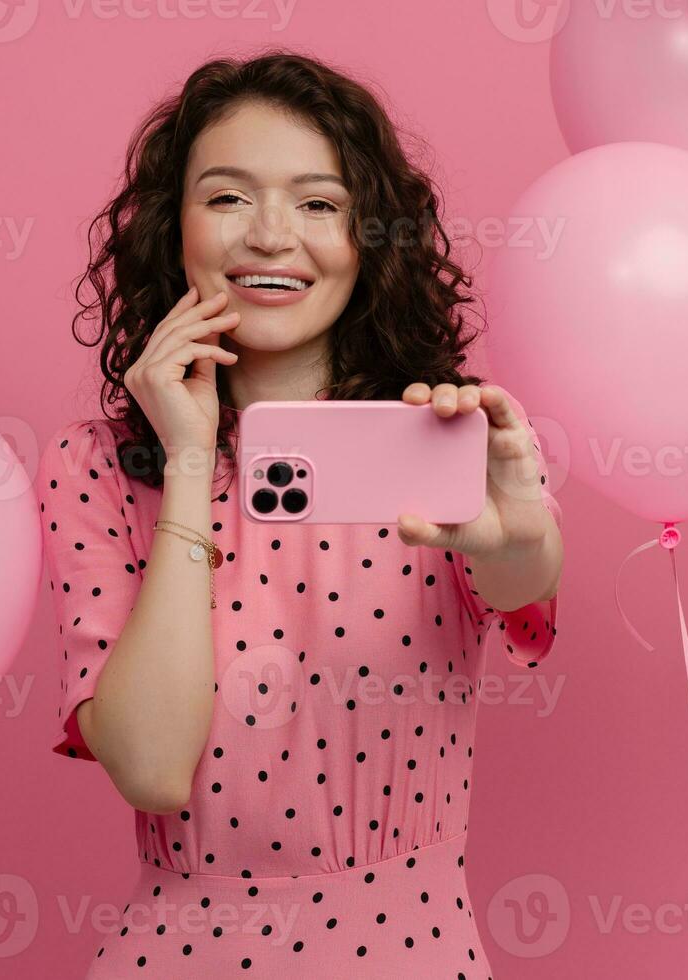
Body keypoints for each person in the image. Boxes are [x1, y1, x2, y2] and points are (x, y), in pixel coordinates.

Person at [37, 49, 563, 978]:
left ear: (370, 235)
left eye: (319, 203)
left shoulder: (441, 431)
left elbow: (521, 577)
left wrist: (518, 537)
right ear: (175, 229)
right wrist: (192, 459)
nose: (272, 236)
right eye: (228, 197)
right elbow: (153, 768)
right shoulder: (96, 465)